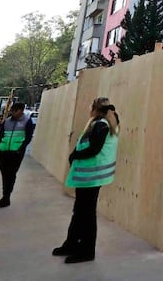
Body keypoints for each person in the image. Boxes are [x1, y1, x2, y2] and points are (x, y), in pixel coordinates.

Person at [53, 97, 120, 264]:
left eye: (90, 106)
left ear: (95, 108)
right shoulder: (100, 123)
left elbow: (94, 149)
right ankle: (72, 243)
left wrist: (75, 155)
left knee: (86, 215)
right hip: (89, 176)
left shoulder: (101, 125)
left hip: (91, 175)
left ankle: (87, 250)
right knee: (80, 212)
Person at [0, 102, 35, 207]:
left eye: (14, 110)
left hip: (16, 154)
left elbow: (28, 138)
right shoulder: (7, 122)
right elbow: (0, 137)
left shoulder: (27, 122)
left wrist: (20, 150)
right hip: (4, 152)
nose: (12, 112)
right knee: (5, 175)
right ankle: (5, 195)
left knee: (11, 175)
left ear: (20, 111)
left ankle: (6, 197)